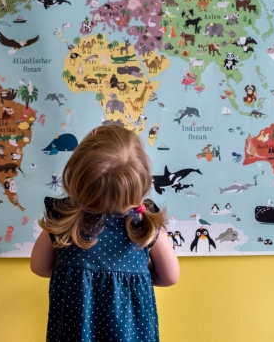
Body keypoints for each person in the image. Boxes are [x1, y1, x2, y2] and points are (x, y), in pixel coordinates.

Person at [31, 125, 179, 342]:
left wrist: (73, 270)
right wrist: (134, 273)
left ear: (77, 177)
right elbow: (170, 276)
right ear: (140, 182)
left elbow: (39, 266)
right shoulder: (145, 223)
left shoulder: (63, 218)